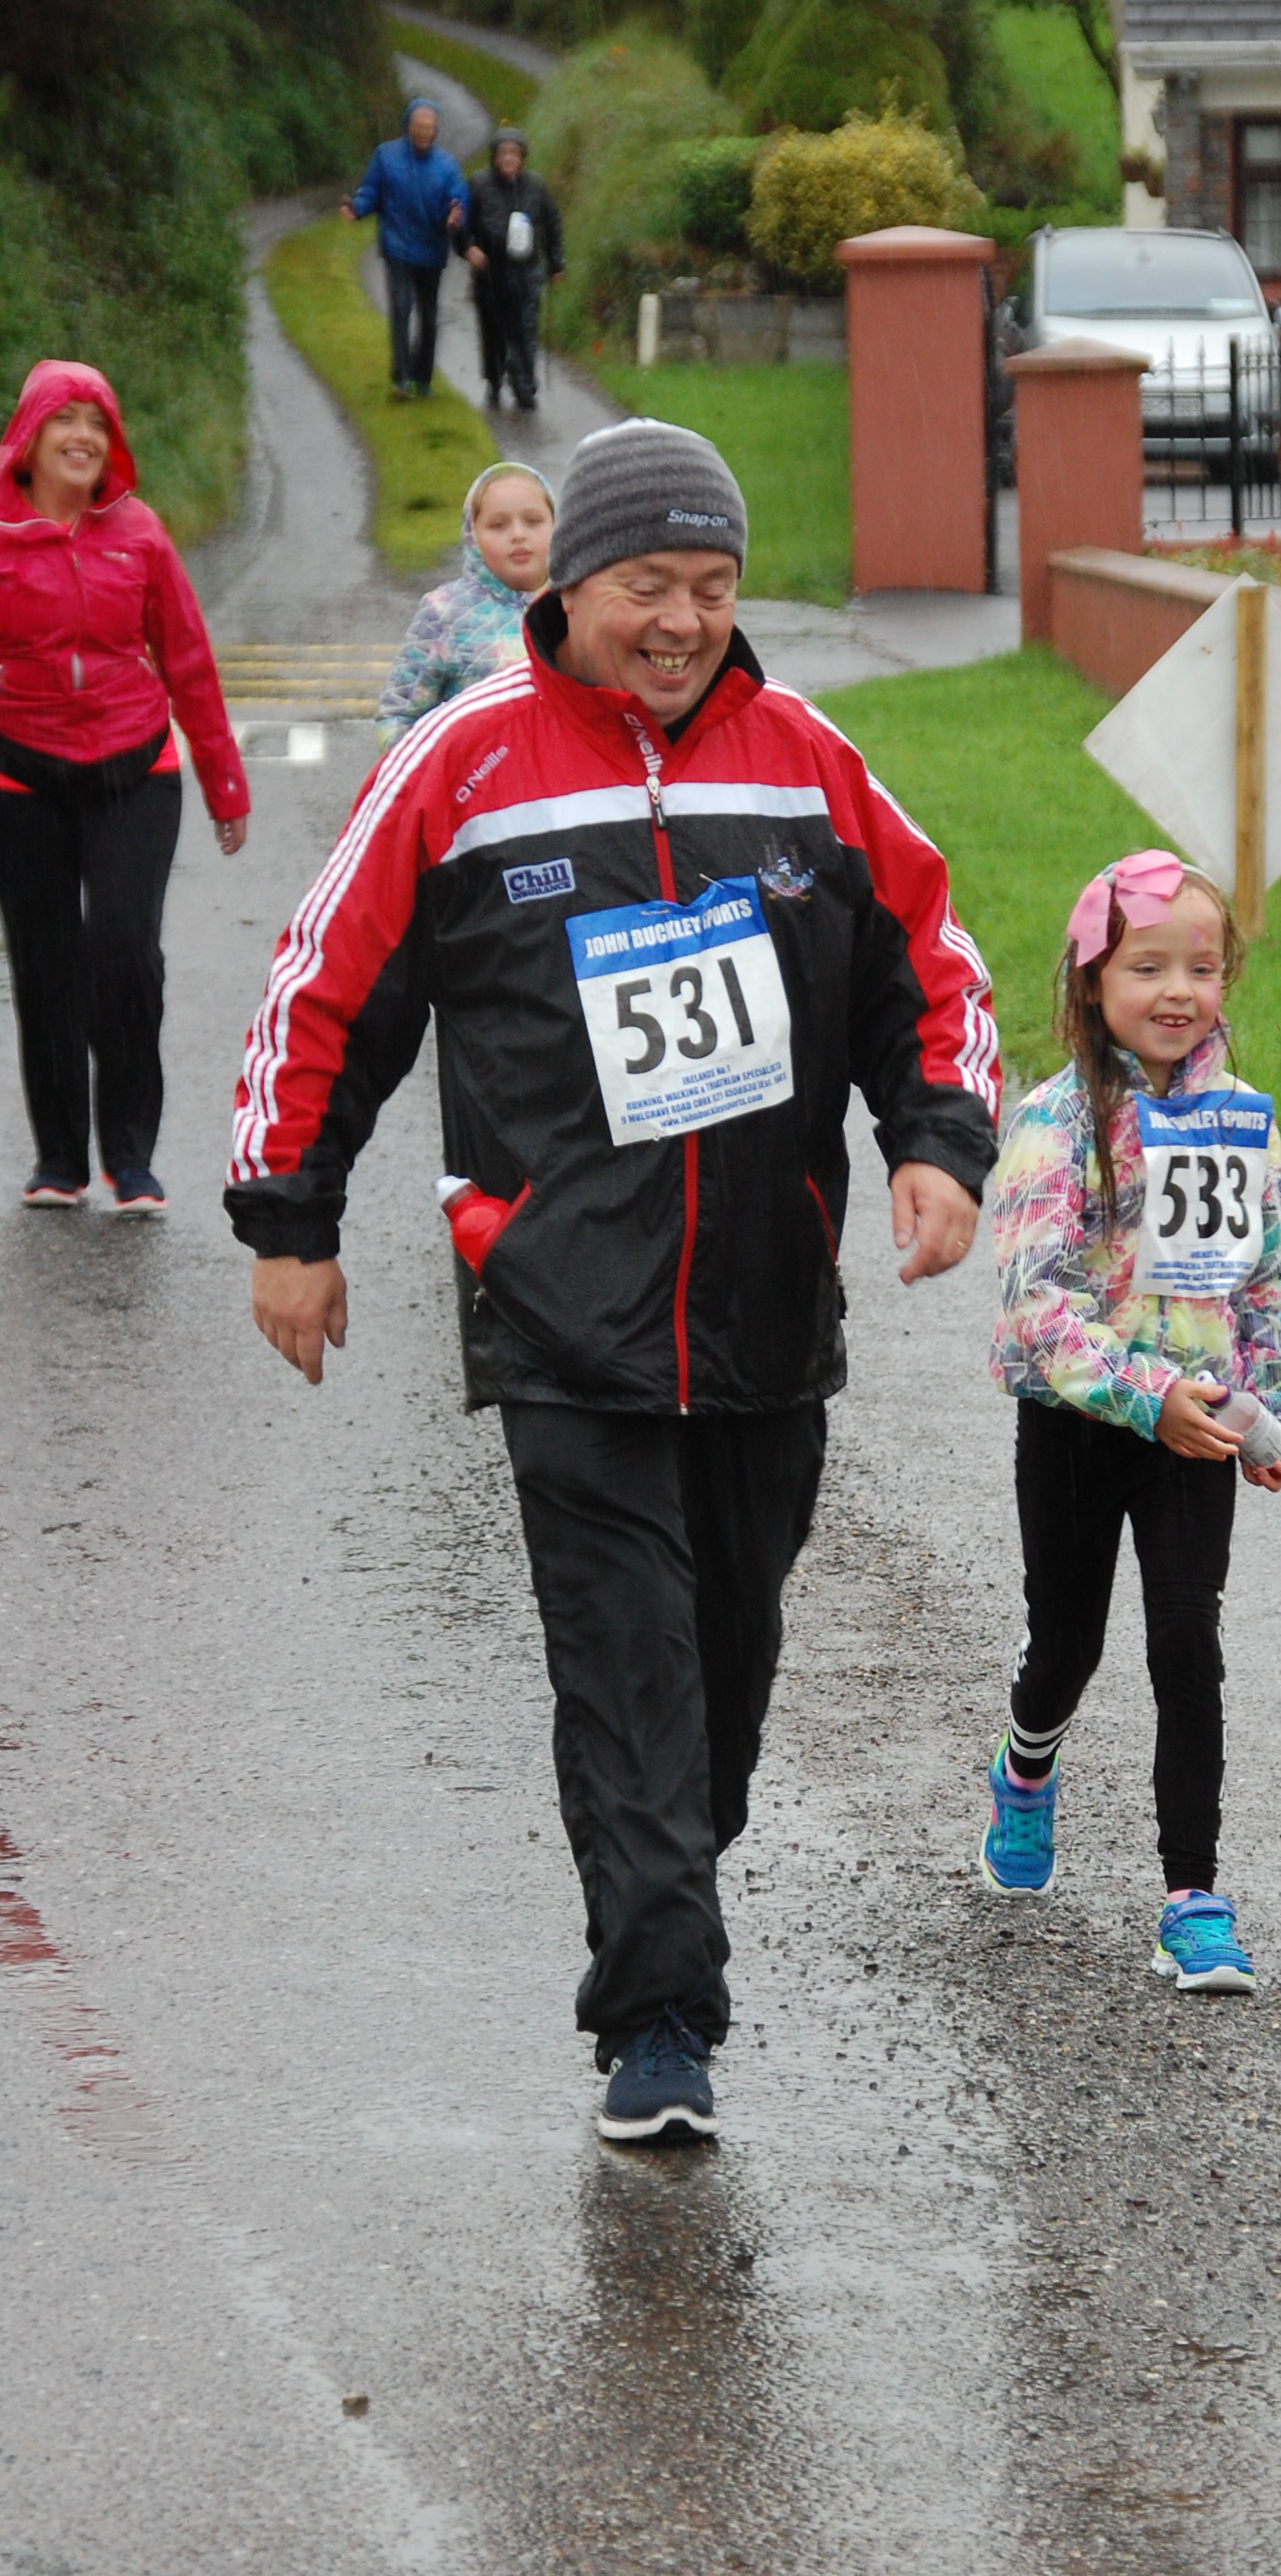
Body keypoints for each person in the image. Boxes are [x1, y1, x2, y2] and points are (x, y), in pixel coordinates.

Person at [226, 419, 998, 2144]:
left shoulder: (803, 763)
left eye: (713, 588)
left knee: (726, 1669)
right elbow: (327, 987)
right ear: (569, 583)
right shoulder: (461, 766)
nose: (682, 622)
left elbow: (929, 965)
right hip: (560, 1306)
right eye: (649, 584)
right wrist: (292, 1220)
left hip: (766, 1311)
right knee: (628, 1663)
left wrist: (937, 1141)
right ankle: (659, 2019)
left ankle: (666, 1867)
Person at [980, 848, 1281, 1992]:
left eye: (1202, 968)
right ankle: (1025, 1768)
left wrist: (1279, 1408)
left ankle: (1192, 1899)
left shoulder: (1241, 1121)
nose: (1178, 990)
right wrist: (1144, 1397)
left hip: (1200, 1423)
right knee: (1065, 1642)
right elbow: (1037, 1309)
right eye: (1147, 966)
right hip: (1079, 1424)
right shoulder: (1053, 1120)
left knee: (1185, 1642)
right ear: (1091, 979)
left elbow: (1267, 1274)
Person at [0, 360, 249, 1215]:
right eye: (64, 419)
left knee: (124, 951)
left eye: (97, 423)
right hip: (21, 774)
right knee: (44, 964)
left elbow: (188, 659)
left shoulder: (137, 531)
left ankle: (131, 1157)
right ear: (28, 436)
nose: (83, 437)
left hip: (134, 770)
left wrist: (224, 785)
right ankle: (60, 1159)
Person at [376, 460, 556, 750]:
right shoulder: (445, 612)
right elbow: (398, 717)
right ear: (473, 535)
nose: (518, 534)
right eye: (498, 525)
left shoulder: (578, 606)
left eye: (533, 521)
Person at [344, 97, 469, 399]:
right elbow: (371, 191)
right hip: (397, 246)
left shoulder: (447, 166)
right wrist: (357, 208)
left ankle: (422, 379)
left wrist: (455, 216)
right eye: (419, 126)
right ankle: (401, 378)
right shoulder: (386, 156)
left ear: (436, 131)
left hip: (431, 249)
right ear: (407, 127)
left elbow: (458, 199)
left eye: (429, 127)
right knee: (401, 308)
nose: (424, 132)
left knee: (428, 316)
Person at [459, 126, 564, 414]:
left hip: (526, 270)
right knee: (494, 329)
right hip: (491, 271)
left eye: (514, 153)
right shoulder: (479, 184)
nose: (508, 158)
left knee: (525, 328)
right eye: (503, 153)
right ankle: (494, 378)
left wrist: (556, 262)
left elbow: (552, 223)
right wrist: (468, 248)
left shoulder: (536, 186)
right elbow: (461, 223)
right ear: (494, 157)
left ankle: (524, 385)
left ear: (522, 158)